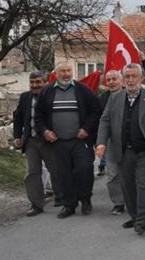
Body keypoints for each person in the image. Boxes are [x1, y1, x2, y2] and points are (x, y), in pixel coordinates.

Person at [96, 63, 145, 235]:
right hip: (123, 150)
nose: (130, 80)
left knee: (143, 185)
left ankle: (143, 220)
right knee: (127, 186)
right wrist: (101, 142)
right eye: (127, 76)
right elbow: (105, 120)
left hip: (144, 151)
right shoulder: (115, 98)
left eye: (133, 76)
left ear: (141, 78)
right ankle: (135, 215)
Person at [34, 62, 101, 218]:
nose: (66, 74)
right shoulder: (47, 92)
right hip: (58, 141)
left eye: (69, 70)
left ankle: (85, 200)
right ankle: (69, 205)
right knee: (63, 174)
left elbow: (95, 111)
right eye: (62, 71)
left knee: (84, 170)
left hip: (80, 140)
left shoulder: (83, 89)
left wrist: (86, 128)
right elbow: (38, 116)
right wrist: (45, 131)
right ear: (56, 74)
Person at [12, 71, 61, 216]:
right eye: (32, 82)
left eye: (38, 82)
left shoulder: (54, 95)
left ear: (46, 82)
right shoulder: (25, 97)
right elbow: (18, 117)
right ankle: (36, 204)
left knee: (56, 170)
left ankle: (61, 196)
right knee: (32, 173)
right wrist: (17, 136)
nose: (35, 85)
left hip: (49, 141)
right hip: (31, 141)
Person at [98, 70, 125, 215]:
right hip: (111, 141)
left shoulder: (131, 95)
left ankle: (134, 200)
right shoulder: (102, 98)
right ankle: (118, 202)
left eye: (114, 79)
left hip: (129, 141)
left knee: (130, 173)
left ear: (122, 81)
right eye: (108, 80)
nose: (111, 82)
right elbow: (101, 121)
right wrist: (100, 142)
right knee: (113, 173)